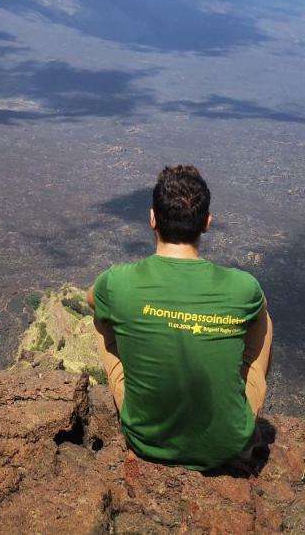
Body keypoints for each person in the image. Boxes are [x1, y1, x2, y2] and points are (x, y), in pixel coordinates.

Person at [86, 164, 273, 471]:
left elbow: (90, 297)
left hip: (147, 441)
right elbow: (259, 305)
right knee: (262, 317)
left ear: (152, 219)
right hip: (227, 444)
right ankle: (240, 421)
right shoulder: (243, 287)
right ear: (207, 223)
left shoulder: (117, 282)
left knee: (101, 315)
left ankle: (144, 402)